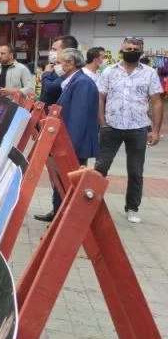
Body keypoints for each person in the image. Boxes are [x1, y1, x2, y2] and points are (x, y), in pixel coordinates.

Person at [94, 37, 163, 224]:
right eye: (128, 48)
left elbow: (156, 102)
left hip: (138, 128)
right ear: (121, 50)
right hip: (111, 127)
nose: (131, 50)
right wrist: (102, 123)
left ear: (141, 51)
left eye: (135, 48)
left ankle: (132, 207)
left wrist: (155, 130)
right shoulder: (109, 71)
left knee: (135, 172)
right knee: (100, 168)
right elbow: (100, 97)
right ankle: (91, 205)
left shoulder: (149, 73)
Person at [34, 48, 99, 223]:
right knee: (61, 181)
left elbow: (79, 117)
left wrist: (70, 148)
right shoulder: (72, 81)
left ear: (70, 64)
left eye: (59, 62)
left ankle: (65, 219)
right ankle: (58, 213)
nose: (56, 67)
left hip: (73, 144)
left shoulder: (82, 83)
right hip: (66, 142)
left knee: (68, 182)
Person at [0, 44, 35, 113]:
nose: (0, 56)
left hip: (13, 110)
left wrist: (12, 91)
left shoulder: (22, 69)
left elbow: (30, 89)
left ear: (11, 55)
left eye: (3, 53)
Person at [40, 35, 78, 107]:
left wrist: (46, 74)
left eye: (54, 49)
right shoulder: (53, 66)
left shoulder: (67, 69)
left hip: (58, 114)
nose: (51, 52)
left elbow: (50, 88)